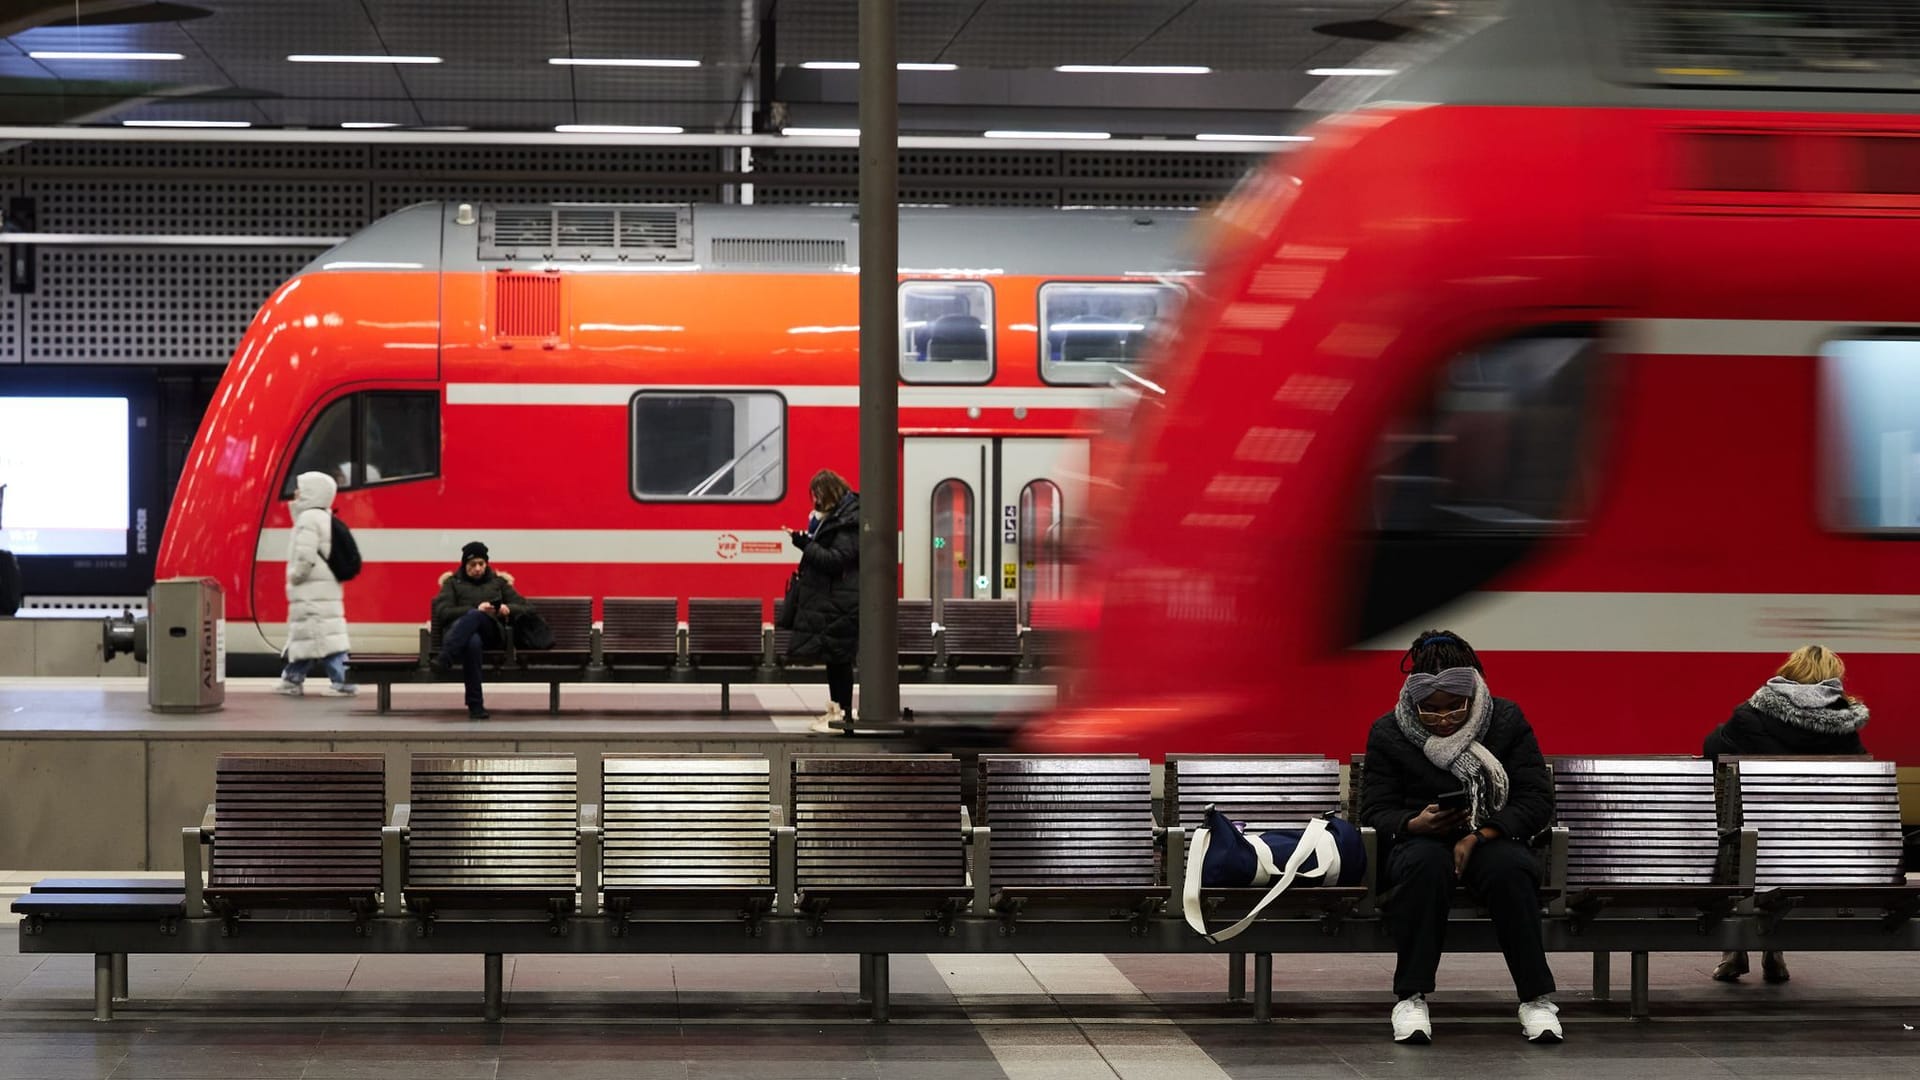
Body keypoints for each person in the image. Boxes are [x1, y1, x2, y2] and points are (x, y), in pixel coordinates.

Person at [1358, 630, 1560, 1045]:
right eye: (1430, 710)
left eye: (1454, 707)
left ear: (1474, 693)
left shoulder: (1506, 721)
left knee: (1511, 870)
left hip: (1490, 834)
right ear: (1413, 700)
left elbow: (1536, 800)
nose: (1444, 717)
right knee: (1424, 867)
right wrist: (1415, 823)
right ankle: (1410, 996)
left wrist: (1481, 834)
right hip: (1418, 840)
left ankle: (1535, 999)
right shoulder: (1389, 732)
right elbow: (1375, 810)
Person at [1703, 644, 1869, 985]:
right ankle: (1773, 950)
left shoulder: (1750, 715)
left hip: (1757, 843)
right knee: (1784, 852)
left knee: (1736, 840)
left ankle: (1735, 950)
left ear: (1789, 672)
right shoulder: (1844, 724)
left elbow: (1712, 749)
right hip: (1818, 847)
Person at [783, 469, 860, 734]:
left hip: (841, 602)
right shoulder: (840, 518)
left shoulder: (848, 522)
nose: (815, 502)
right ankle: (836, 711)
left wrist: (805, 544)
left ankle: (844, 714)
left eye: (817, 495)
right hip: (833, 602)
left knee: (839, 660)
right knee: (834, 659)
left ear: (828, 493)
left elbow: (835, 559)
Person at [274, 471, 356, 697]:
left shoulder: (308, 519)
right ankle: (292, 678)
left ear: (312, 492)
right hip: (323, 587)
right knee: (312, 635)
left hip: (311, 589)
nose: (296, 493)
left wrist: (294, 576)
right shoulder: (323, 517)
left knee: (321, 637)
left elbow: (305, 556)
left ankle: (343, 682)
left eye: (301, 488)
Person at [431, 541, 531, 720]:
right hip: (464, 637)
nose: (477, 568)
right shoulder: (452, 584)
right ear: (464, 564)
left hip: (492, 633)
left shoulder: (498, 582)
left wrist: (507, 608)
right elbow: (443, 612)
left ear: (486, 563)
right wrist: (474, 608)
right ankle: (476, 705)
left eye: (481, 564)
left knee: (477, 617)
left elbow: (525, 607)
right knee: (472, 642)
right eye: (472, 565)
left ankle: (446, 657)